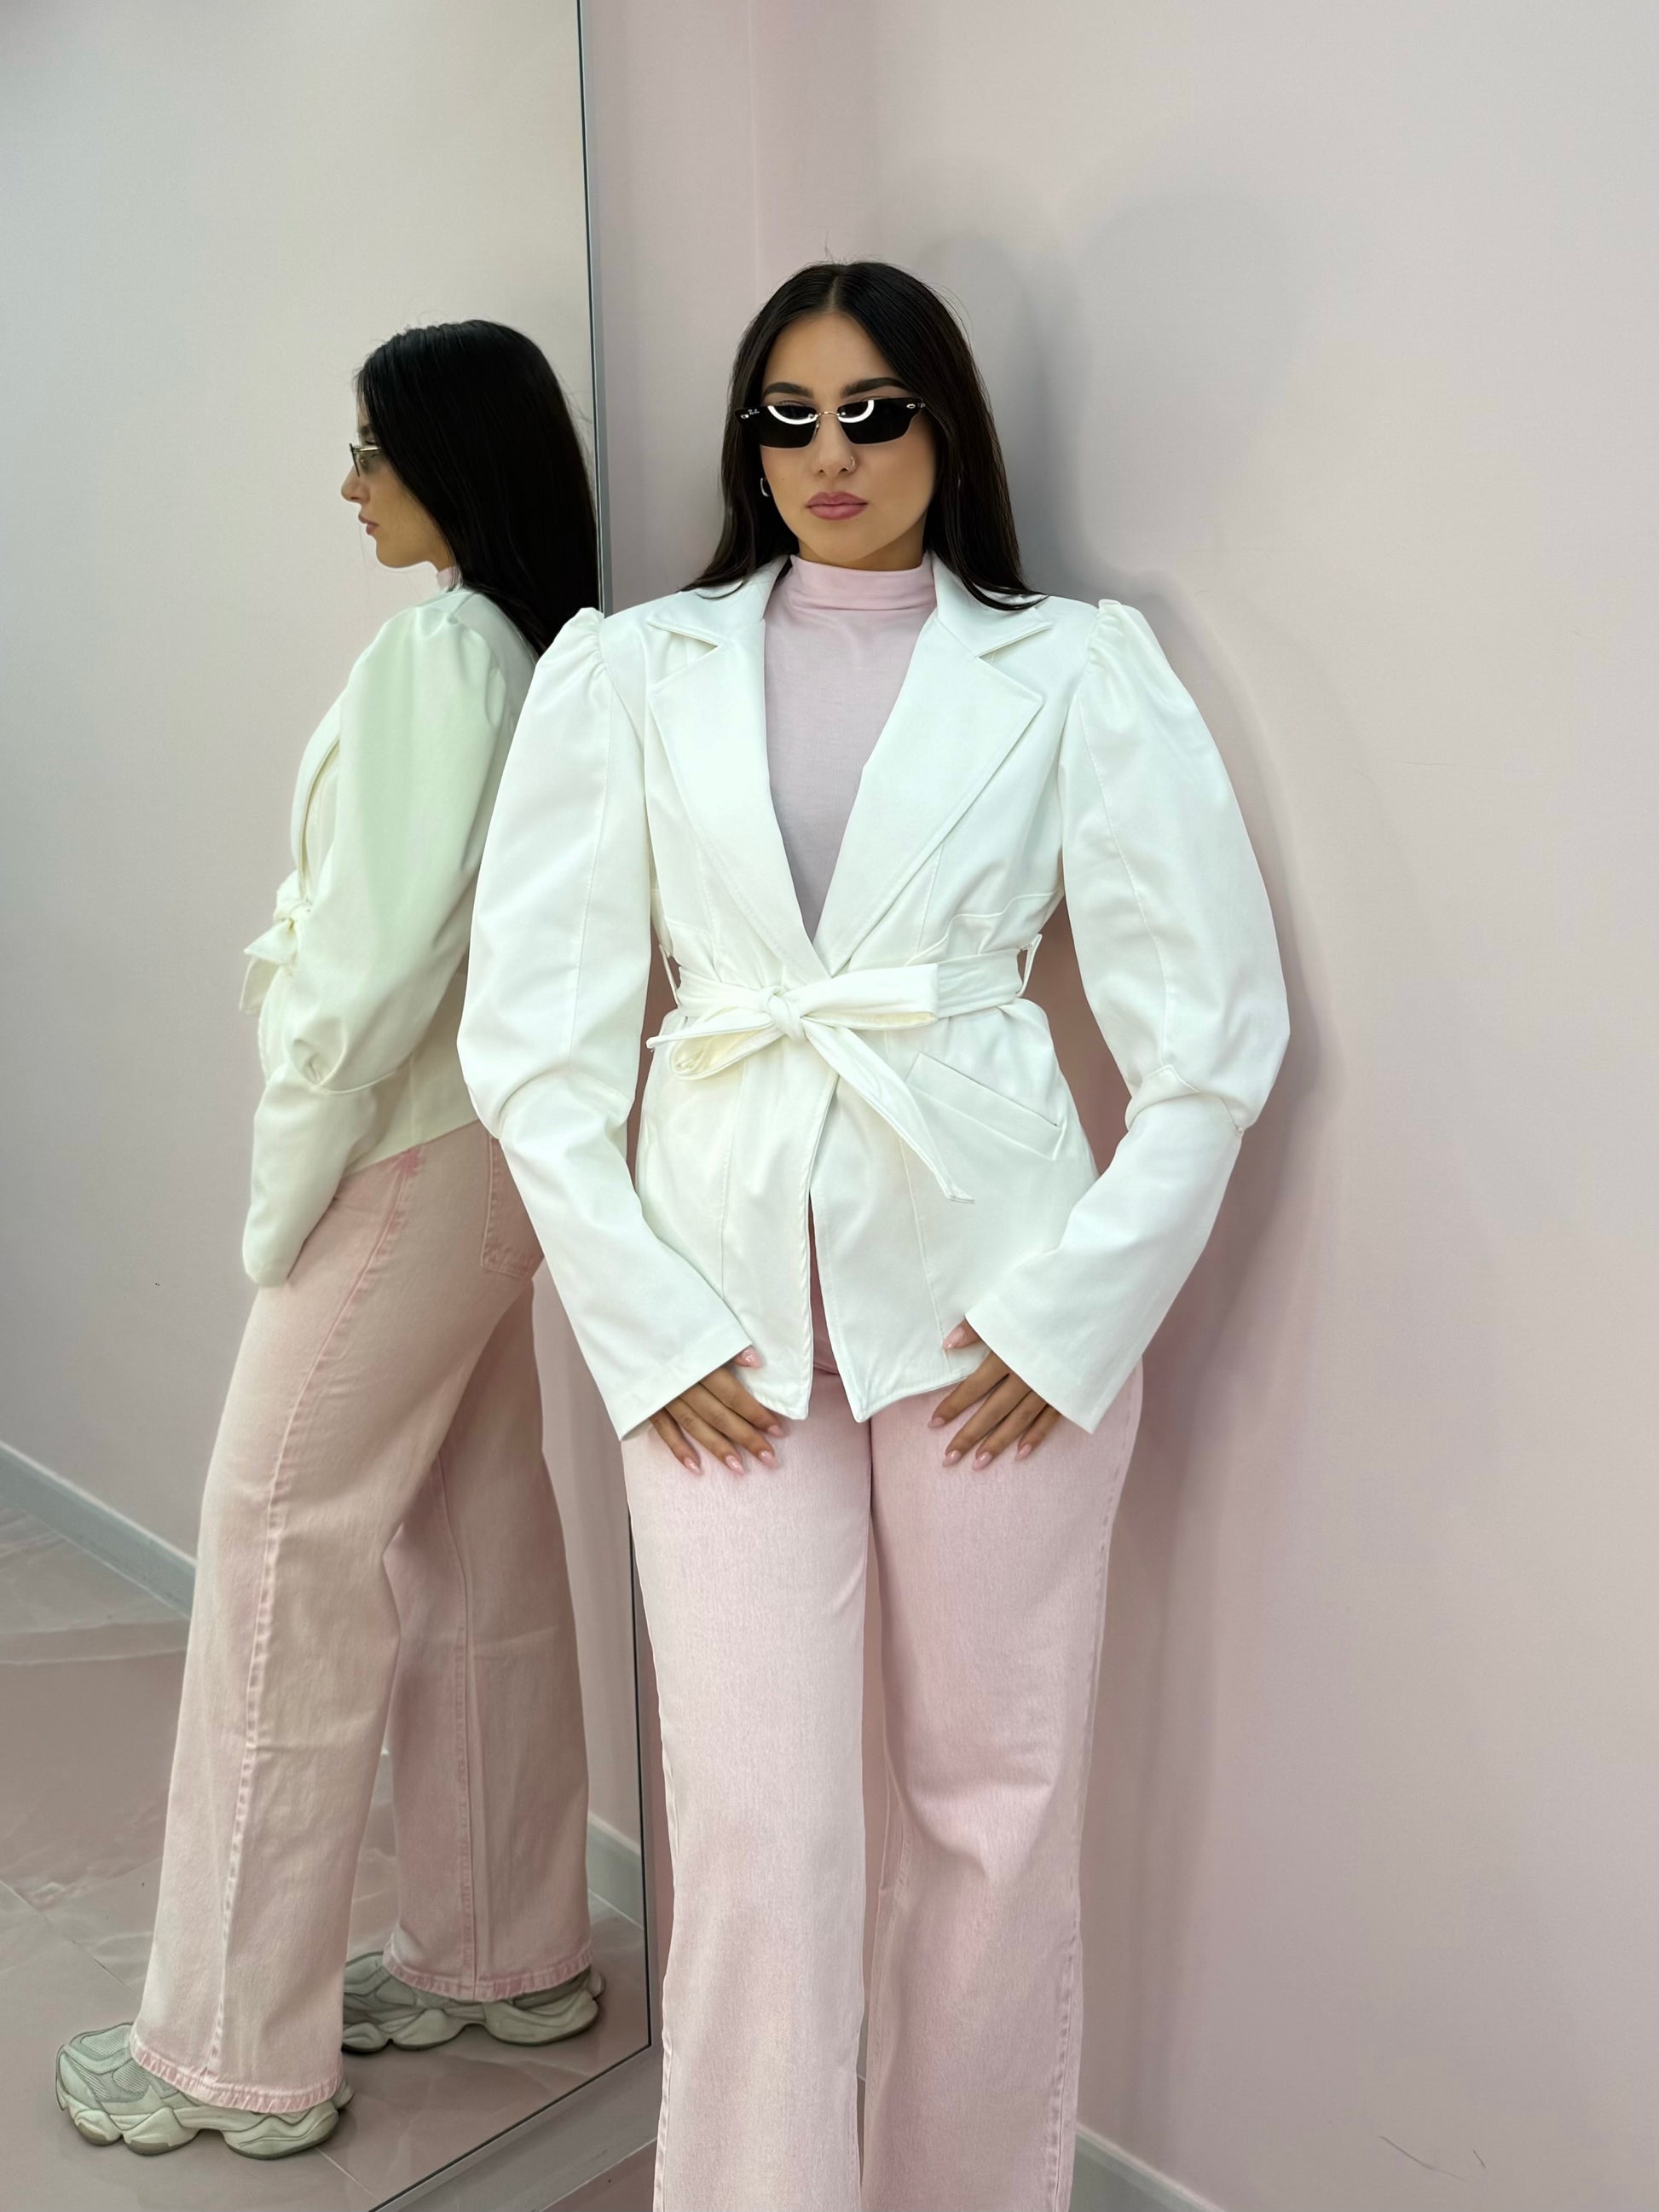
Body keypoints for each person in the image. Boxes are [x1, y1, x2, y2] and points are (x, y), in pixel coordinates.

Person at [460, 263, 1289, 2211]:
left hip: (998, 1306)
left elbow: (1213, 1035)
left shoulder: (1075, 667)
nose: (829, 452)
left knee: (991, 1813)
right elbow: (533, 1045)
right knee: (759, 1832)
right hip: (714, 1314)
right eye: (789, 415)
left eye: (873, 410)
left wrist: (1076, 1316)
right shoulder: (628, 670)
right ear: (747, 442)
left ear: (944, 426)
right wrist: (646, 1323)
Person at [55, 321, 603, 2161]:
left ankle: (230, 2049)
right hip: (497, 1154)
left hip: (406, 1149)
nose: (347, 483)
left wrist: (286, 1176)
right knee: (474, 1519)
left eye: (370, 448)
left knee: (276, 1539)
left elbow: (365, 970)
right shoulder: (536, 652)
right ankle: (505, 1946)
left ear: (452, 457)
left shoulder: (440, 654)